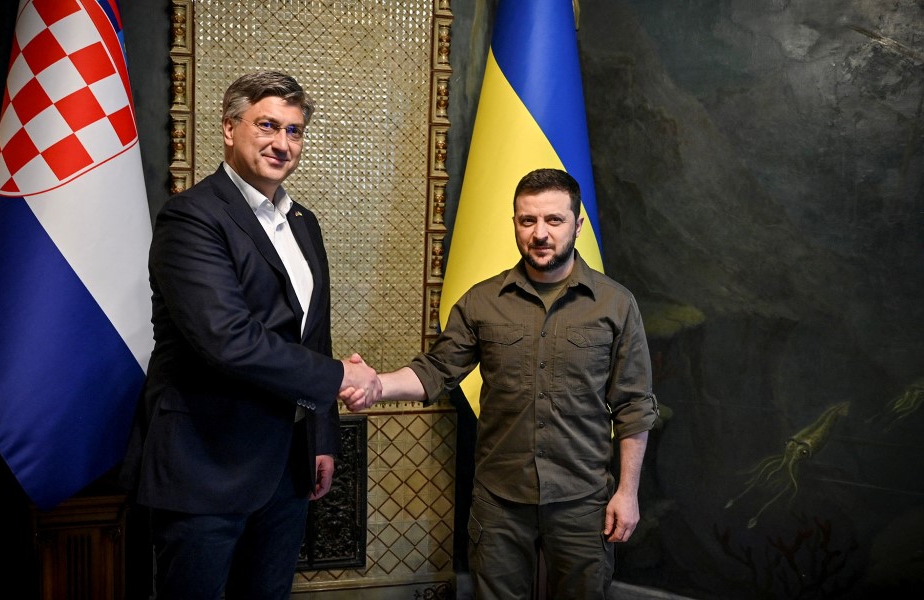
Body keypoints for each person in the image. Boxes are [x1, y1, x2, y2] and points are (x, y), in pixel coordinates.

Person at [121, 71, 380, 600]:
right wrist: (341, 378)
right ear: (229, 128)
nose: (282, 143)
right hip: (205, 466)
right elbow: (227, 339)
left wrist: (321, 437)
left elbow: (313, 337)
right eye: (267, 125)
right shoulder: (191, 218)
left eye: (294, 131)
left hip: (286, 467)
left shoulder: (303, 222)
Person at [343, 168, 659, 600]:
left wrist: (627, 492)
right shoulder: (482, 301)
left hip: (583, 501)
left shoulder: (615, 304)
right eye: (528, 220)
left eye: (554, 220)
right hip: (500, 502)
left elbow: (634, 406)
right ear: (514, 223)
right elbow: (435, 371)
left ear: (578, 225)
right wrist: (377, 385)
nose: (540, 233)